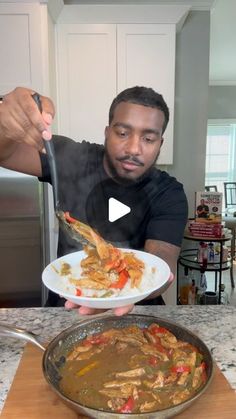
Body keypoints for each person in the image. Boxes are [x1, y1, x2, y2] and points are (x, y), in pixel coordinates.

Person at [0, 86, 188, 315]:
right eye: (122, 133)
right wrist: (4, 124)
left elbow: (161, 265)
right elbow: (5, 153)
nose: (134, 148)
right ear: (107, 132)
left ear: (160, 143)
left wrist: (121, 292)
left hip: (136, 313)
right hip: (68, 306)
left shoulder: (169, 193)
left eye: (148, 138)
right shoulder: (72, 158)